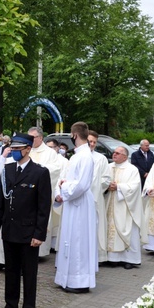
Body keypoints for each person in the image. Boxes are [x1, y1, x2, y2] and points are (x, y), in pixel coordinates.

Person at [0, 133, 51, 308]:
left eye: (18, 149)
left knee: (29, 273)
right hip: (10, 229)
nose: (14, 152)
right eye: (13, 149)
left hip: (28, 232)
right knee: (11, 271)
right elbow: (1, 200)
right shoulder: (8, 169)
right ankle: (10, 307)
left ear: (28, 149)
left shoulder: (39, 172)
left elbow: (43, 207)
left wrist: (39, 234)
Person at [54, 122, 96, 293]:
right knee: (70, 239)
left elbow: (82, 184)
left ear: (74, 135)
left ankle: (79, 281)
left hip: (80, 204)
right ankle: (68, 277)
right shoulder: (77, 155)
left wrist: (64, 188)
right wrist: (61, 189)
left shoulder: (86, 156)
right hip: (72, 202)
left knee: (78, 240)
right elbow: (65, 178)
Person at [28, 127, 66, 257]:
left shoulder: (50, 153)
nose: (30, 140)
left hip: (41, 191)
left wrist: (38, 169)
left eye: (33, 137)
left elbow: (56, 169)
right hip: (27, 192)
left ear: (40, 138)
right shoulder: (27, 150)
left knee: (41, 217)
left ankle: (41, 251)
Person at [104, 146, 144, 269]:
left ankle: (129, 259)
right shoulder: (108, 167)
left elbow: (135, 186)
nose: (114, 154)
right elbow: (101, 182)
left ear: (125, 156)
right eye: (114, 152)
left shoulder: (132, 169)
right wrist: (106, 186)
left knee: (128, 230)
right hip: (110, 203)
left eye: (118, 153)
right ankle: (112, 258)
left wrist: (119, 187)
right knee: (110, 229)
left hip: (125, 207)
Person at [87, 130, 111, 263]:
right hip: (80, 198)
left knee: (96, 226)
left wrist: (93, 187)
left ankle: (97, 256)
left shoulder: (101, 159)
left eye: (94, 142)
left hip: (96, 198)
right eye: (90, 141)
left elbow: (106, 179)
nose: (92, 144)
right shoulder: (77, 157)